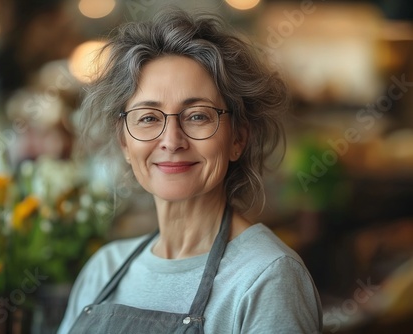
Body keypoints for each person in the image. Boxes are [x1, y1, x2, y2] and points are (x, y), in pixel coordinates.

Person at [58, 8, 322, 334]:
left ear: (238, 137)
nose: (171, 141)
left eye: (197, 116)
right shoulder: (105, 270)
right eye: (148, 117)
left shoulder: (267, 276)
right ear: (124, 142)